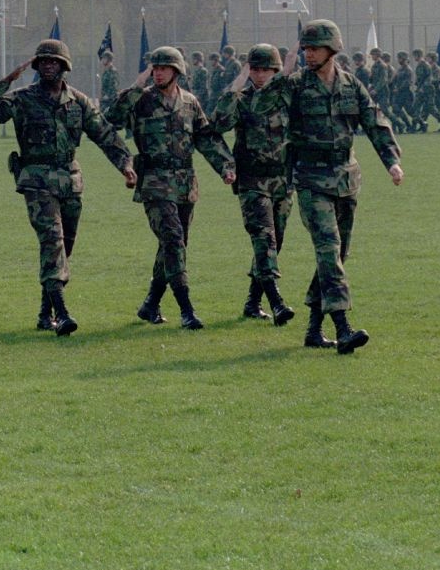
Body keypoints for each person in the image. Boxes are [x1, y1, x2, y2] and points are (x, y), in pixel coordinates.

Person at [255, 20, 403, 354]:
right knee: (327, 247)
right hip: (310, 177)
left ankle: (312, 330)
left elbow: (374, 120)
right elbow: (260, 107)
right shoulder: (293, 86)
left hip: (346, 177)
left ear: (332, 49)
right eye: (305, 48)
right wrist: (283, 72)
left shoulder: (351, 85)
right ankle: (343, 327)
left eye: (314, 48)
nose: (308, 54)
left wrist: (391, 160)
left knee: (337, 255)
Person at [0, 39, 136, 336]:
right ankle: (62, 313)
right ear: (36, 67)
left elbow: (105, 135)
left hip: (70, 182)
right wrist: (7, 80)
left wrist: (126, 165)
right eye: (43, 62)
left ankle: (44, 311)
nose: (48, 66)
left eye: (54, 62)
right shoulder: (21, 98)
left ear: (64, 66)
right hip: (36, 179)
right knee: (52, 240)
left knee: (65, 246)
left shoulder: (79, 102)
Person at [105, 46, 235, 330]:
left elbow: (206, 138)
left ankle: (151, 303)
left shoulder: (189, 102)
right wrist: (136, 87)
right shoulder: (141, 100)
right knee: (173, 240)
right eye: (155, 67)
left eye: (164, 67)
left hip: (185, 184)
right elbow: (111, 117)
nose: (159, 72)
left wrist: (225, 166)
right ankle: (186, 310)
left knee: (173, 245)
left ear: (177, 71)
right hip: (153, 182)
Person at [213, 44, 296, 326]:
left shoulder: (285, 97)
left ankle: (252, 302)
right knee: (264, 237)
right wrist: (237, 83)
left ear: (275, 71)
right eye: (255, 69)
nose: (260, 75)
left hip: (282, 180)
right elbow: (219, 122)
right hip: (251, 179)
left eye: (266, 70)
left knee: (276, 241)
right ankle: (277, 302)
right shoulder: (242, 99)